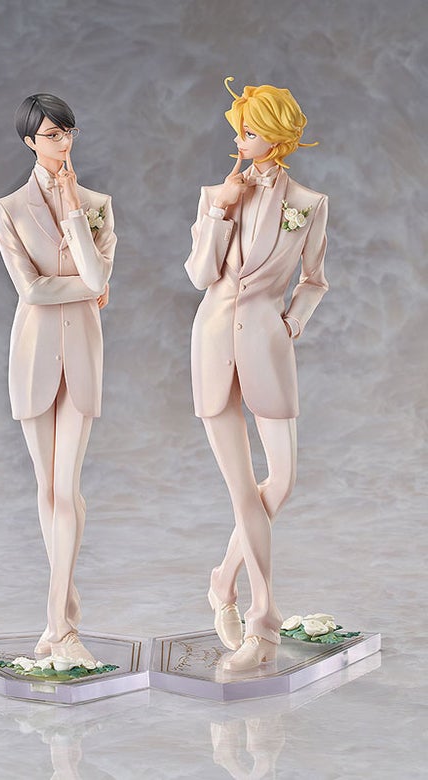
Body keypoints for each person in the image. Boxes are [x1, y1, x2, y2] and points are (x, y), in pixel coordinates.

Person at [185, 78, 328, 670]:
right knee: (244, 491)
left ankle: (223, 578)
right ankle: (262, 624)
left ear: (278, 135)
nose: (241, 140)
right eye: (239, 130)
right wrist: (220, 208)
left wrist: (291, 322)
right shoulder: (216, 195)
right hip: (214, 341)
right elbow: (200, 275)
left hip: (268, 345)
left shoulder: (309, 203)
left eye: (251, 130)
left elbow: (314, 280)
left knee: (282, 479)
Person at [0, 93, 116, 665]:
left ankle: (58, 622)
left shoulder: (97, 205)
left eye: (67, 132)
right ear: (29, 142)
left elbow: (97, 274)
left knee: (67, 488)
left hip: (83, 354)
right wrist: (87, 289)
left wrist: (71, 211)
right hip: (33, 354)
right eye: (50, 134)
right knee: (47, 488)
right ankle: (63, 618)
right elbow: (32, 289)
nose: (61, 142)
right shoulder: (9, 209)